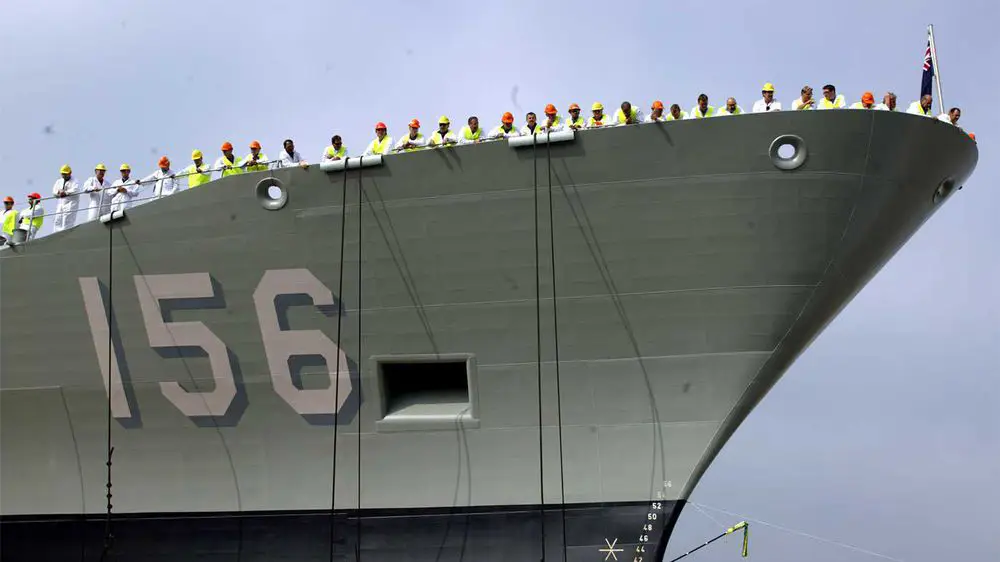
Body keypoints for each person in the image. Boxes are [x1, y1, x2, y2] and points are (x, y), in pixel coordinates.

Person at [51, 164, 80, 233]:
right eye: (63, 174)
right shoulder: (59, 181)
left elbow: (76, 190)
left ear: (70, 173)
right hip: (61, 204)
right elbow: (54, 191)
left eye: (65, 174)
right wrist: (59, 192)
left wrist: (66, 193)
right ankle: (56, 236)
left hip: (70, 204)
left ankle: (66, 235)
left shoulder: (75, 181)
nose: (64, 175)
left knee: (67, 221)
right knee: (57, 220)